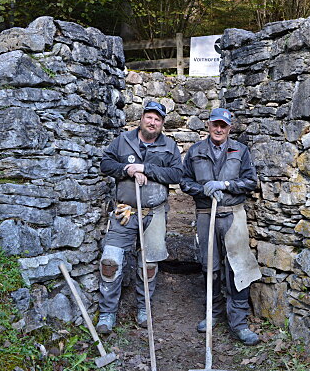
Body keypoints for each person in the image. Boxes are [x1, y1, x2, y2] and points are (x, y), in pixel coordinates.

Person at [97, 101, 183, 334]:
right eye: (149, 117)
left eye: (158, 119)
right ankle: (107, 313)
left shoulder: (169, 145)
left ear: (162, 123)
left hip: (154, 214)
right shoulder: (123, 141)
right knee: (110, 262)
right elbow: (106, 163)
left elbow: (177, 174)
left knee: (149, 265)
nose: (153, 122)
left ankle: (143, 308)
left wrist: (146, 169)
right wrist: (127, 170)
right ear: (142, 118)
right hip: (124, 212)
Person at [180, 108, 262, 346]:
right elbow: (185, 182)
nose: (219, 129)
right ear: (208, 125)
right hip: (206, 214)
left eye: (223, 126)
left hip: (233, 215)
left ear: (229, 128)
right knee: (210, 267)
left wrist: (225, 184)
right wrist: (202, 188)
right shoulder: (196, 151)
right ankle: (212, 313)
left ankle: (239, 322)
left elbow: (249, 181)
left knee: (238, 268)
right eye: (215, 124)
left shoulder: (240, 150)